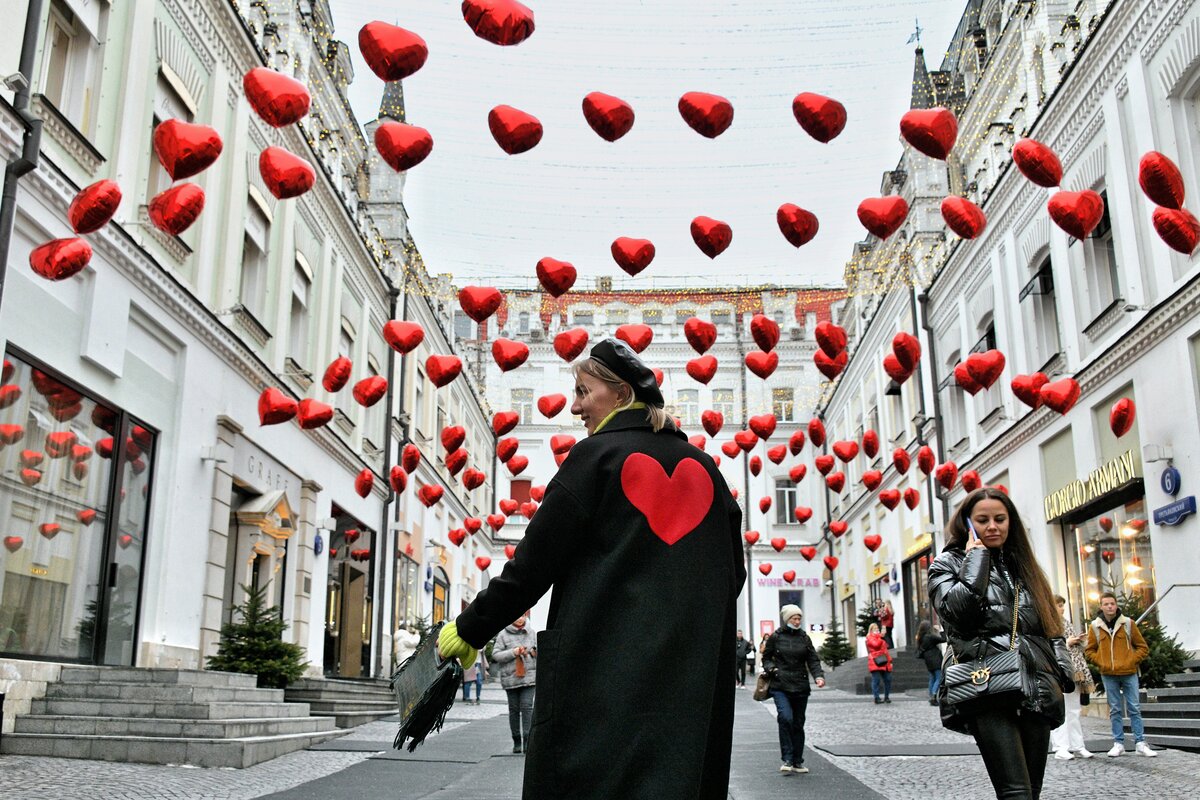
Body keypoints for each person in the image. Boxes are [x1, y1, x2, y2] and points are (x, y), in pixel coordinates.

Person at [435, 338, 746, 799]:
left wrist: (470, 627)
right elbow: (733, 576)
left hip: (603, 672)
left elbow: (535, 563)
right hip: (688, 682)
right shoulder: (707, 469)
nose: (575, 408)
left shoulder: (595, 457)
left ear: (619, 395)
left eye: (583, 392)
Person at [929, 487, 1074, 800]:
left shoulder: (1025, 567)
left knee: (1031, 792)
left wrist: (1062, 672)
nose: (992, 526)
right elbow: (958, 614)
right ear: (967, 525)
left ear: (1011, 522)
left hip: (1037, 687)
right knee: (1016, 793)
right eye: (982, 520)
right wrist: (976, 558)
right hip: (989, 687)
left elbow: (1051, 626)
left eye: (1000, 519)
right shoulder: (947, 564)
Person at [1085, 591, 1155, 758]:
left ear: (1116, 605)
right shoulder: (1095, 626)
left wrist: (1131, 660)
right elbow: (1089, 650)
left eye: (1112, 603)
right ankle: (1118, 743)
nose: (1110, 606)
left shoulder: (1128, 623)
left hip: (1129, 672)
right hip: (1108, 674)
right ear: (1101, 606)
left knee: (1134, 708)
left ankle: (1140, 742)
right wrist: (1102, 662)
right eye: (1106, 604)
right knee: (1115, 709)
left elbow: (1142, 647)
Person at [761, 604, 825, 774]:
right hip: (780, 685)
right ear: (787, 619)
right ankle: (787, 758)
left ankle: (797, 761)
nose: (797, 622)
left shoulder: (804, 638)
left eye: (799, 619)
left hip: (801, 685)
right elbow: (766, 658)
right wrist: (772, 669)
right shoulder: (776, 637)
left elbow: (813, 660)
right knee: (785, 718)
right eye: (794, 619)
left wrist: (818, 676)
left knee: (798, 723)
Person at [1050, 595, 1094, 760]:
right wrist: (1067, 642)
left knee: (1074, 710)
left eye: (1062, 605)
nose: (1061, 608)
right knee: (1061, 709)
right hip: (1059, 670)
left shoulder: (1066, 623)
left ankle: (1077, 745)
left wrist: (1079, 641)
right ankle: (1061, 747)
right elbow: (1050, 646)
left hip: (1074, 669)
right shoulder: (1049, 623)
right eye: (1058, 605)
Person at [492, 612, 537, 753]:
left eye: (522, 616)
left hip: (529, 677)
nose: (520, 618)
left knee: (527, 707)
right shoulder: (503, 635)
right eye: (517, 616)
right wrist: (514, 652)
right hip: (510, 678)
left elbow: (538, 649)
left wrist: (533, 651)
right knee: (514, 710)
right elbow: (496, 655)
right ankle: (517, 740)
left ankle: (528, 741)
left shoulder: (531, 632)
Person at [914, 620, 945, 706]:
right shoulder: (930, 637)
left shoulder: (921, 637)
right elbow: (944, 639)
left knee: (932, 678)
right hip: (935, 659)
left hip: (928, 661)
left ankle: (931, 695)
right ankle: (934, 695)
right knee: (938, 678)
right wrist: (940, 630)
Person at [866, 622, 892, 704]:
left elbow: (886, 650)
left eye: (877, 628)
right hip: (875, 661)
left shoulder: (880, 637)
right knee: (876, 680)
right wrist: (880, 636)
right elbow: (876, 645)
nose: (877, 630)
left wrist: (890, 661)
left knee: (888, 679)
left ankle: (886, 697)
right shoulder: (870, 638)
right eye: (874, 628)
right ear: (871, 630)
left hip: (884, 661)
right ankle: (876, 698)